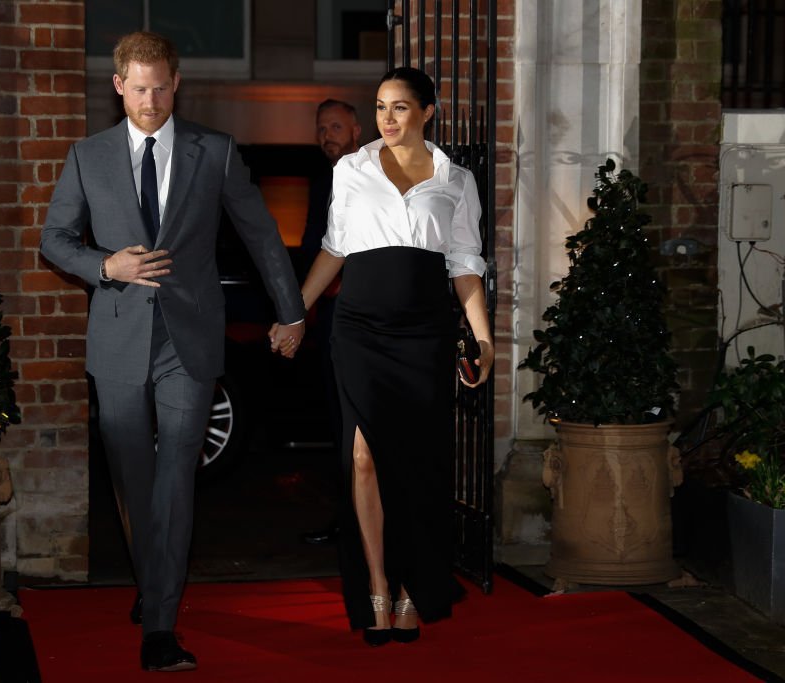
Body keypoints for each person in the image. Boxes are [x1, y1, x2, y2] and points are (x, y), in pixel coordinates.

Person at [40, 31, 306, 672]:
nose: (151, 99)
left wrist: (290, 310)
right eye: (139, 88)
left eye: (161, 86)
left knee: (175, 479)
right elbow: (53, 239)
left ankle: (160, 623)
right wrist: (108, 265)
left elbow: (261, 232)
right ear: (118, 86)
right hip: (118, 341)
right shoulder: (88, 155)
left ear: (176, 82)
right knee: (132, 481)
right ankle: (153, 579)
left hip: (187, 340)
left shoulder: (212, 151)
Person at [270, 67, 493, 646]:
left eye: (399, 107)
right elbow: (333, 248)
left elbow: (465, 265)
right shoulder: (352, 168)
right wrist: (296, 313)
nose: (386, 119)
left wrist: (484, 338)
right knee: (362, 457)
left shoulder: (456, 180)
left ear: (427, 111)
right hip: (360, 330)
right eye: (379, 107)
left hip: (425, 335)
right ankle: (375, 584)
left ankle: (411, 590)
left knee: (417, 464)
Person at [299, 99, 361, 546]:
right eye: (322, 129)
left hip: (358, 312)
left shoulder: (368, 174)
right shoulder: (323, 180)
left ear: (357, 129)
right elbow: (310, 244)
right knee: (337, 421)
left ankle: (365, 522)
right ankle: (348, 519)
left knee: (360, 422)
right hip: (328, 315)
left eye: (336, 126)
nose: (328, 135)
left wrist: (341, 286)